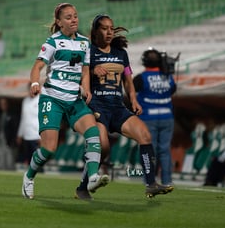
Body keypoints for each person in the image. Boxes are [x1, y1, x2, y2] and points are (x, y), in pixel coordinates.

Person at [75, 14, 173, 199]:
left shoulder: (121, 53)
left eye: (111, 28)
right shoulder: (88, 51)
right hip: (97, 106)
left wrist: (134, 100)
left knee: (144, 135)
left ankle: (150, 184)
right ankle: (83, 187)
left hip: (117, 107)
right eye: (104, 28)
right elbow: (80, 75)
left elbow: (128, 80)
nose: (109, 32)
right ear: (96, 31)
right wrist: (92, 70)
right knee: (103, 147)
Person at [22, 3, 108, 199]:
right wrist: (35, 82)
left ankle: (93, 177)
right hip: (52, 98)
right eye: (68, 17)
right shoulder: (52, 42)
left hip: (74, 100)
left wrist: (86, 88)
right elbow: (37, 67)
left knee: (93, 132)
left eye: (75, 16)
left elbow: (85, 71)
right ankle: (29, 177)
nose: (74, 19)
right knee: (49, 149)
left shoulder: (85, 43)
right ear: (59, 23)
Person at [133, 48, 177, 186]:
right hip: (167, 117)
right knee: (164, 150)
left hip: (148, 118)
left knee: (149, 149)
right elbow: (173, 90)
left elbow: (131, 91)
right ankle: (167, 181)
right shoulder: (168, 76)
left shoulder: (141, 78)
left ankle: (149, 180)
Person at [16, 83, 41, 168]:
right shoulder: (25, 101)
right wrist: (19, 134)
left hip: (36, 135)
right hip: (26, 135)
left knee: (37, 160)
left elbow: (43, 119)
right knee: (28, 160)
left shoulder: (41, 100)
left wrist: (41, 136)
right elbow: (23, 118)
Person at [0, 97, 19, 170]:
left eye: (4, 104)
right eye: (1, 104)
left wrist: (13, 141)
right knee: (0, 160)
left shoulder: (12, 115)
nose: (3, 105)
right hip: (0, 142)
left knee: (9, 161)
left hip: (9, 141)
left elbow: (15, 129)